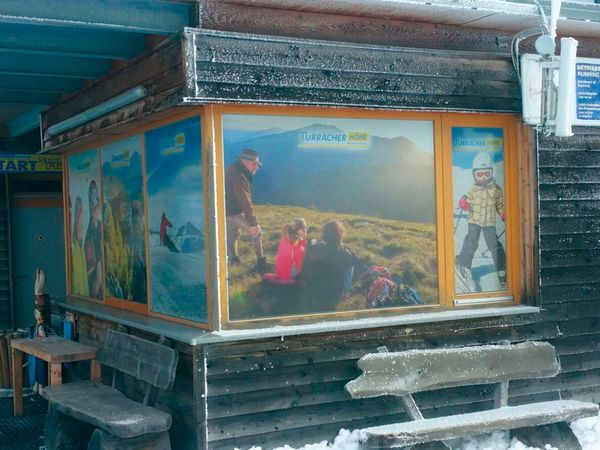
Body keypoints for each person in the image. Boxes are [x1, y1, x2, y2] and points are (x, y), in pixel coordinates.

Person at [456, 152, 507, 291]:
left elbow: (500, 204)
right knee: (471, 242)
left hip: (489, 223)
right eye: (480, 174)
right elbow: (466, 202)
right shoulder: (473, 190)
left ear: (492, 173)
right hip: (474, 221)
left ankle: (503, 270)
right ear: (474, 174)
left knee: (494, 245)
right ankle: (464, 265)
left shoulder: (496, 190)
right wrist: (464, 203)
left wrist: (503, 213)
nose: (483, 177)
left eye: (487, 173)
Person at [298, 219, 363, 313]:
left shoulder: (315, 248)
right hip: (334, 293)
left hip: (313, 288)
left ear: (324, 234)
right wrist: (347, 249)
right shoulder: (342, 252)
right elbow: (357, 260)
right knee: (348, 266)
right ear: (340, 234)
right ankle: (346, 291)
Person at [225, 148, 268, 272]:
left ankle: (234, 259)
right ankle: (261, 263)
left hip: (227, 211)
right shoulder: (239, 177)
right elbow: (245, 201)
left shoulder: (233, 169)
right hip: (234, 213)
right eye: (255, 164)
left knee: (232, 235)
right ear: (245, 161)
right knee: (257, 233)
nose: (257, 167)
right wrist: (253, 223)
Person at [262, 218, 307, 285]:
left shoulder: (287, 238)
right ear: (301, 231)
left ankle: (282, 278)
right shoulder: (297, 247)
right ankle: (288, 279)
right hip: (288, 274)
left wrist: (303, 242)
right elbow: (300, 264)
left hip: (280, 270)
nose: (306, 231)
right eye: (304, 229)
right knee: (306, 262)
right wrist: (303, 273)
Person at [84, 180, 103, 299]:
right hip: (93, 267)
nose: (94, 207)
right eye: (92, 201)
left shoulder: (101, 226)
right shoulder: (88, 229)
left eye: (96, 200)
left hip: (101, 263)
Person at [71, 197, 89, 297]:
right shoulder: (76, 250)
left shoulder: (81, 247)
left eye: (83, 223)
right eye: (80, 223)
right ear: (75, 224)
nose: (82, 227)